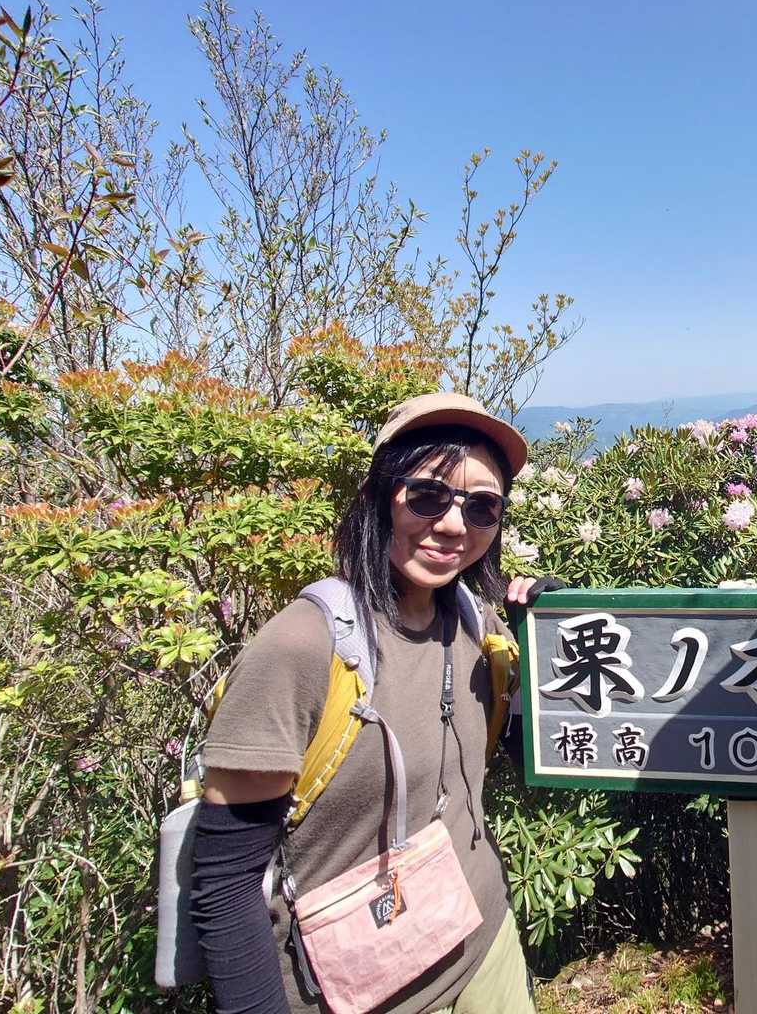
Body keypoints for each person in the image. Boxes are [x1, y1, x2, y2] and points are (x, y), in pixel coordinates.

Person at [191, 393, 548, 1014]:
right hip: (357, 989)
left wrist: (550, 629)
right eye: (428, 495)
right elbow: (225, 880)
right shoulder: (302, 647)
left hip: (484, 945)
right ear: (381, 496)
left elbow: (521, 746)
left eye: (481, 507)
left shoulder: (475, 622)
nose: (454, 525)